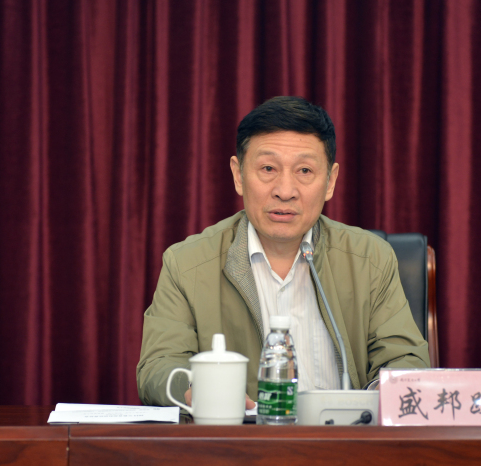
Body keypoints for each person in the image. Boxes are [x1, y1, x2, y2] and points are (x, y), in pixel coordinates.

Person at [137, 96, 429, 408]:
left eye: (304, 170)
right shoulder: (187, 263)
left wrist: (378, 397)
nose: (285, 191)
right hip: (239, 437)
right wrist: (197, 390)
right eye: (268, 168)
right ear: (238, 175)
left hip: (343, 435)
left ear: (330, 181)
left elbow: (405, 360)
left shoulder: (371, 259)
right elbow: (158, 367)